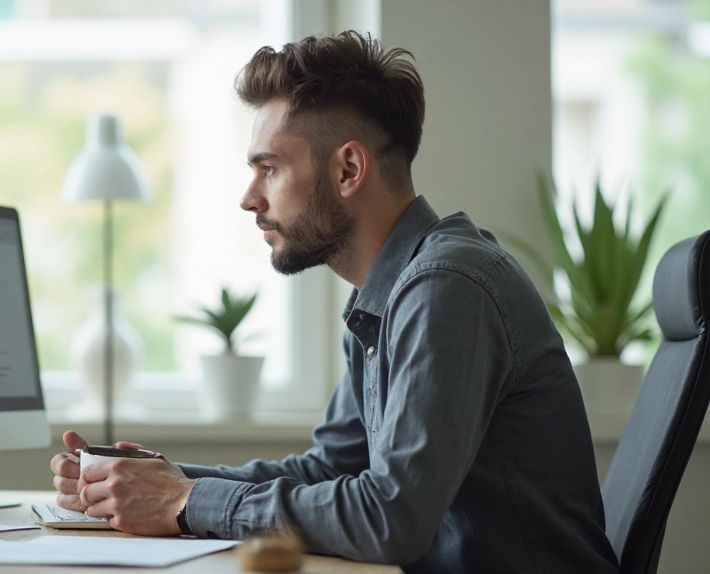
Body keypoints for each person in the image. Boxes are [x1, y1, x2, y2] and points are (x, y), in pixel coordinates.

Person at [50, 31, 619, 572]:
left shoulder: (448, 286)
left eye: (269, 168)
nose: (249, 198)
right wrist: (159, 480)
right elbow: (329, 469)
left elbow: (392, 518)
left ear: (348, 168)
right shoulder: (387, 294)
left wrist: (185, 500)